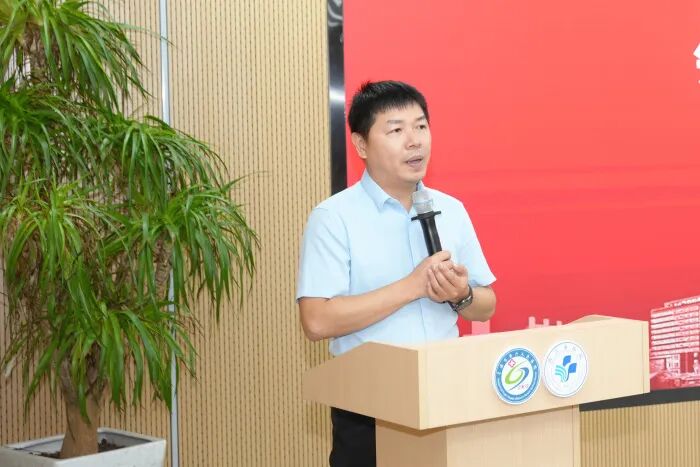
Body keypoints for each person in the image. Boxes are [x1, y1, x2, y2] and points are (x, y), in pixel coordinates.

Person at [296, 80, 497, 467]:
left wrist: (461, 295)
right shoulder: (334, 218)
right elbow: (316, 320)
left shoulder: (451, 209)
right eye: (396, 130)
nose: (414, 141)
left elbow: (486, 304)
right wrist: (413, 286)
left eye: (421, 126)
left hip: (446, 394)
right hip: (368, 407)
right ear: (361, 145)